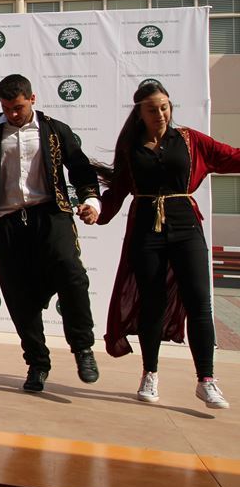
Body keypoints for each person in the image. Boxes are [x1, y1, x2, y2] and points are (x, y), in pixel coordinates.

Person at [0, 74, 101, 393]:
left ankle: (83, 347)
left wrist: (91, 201)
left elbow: (81, 169)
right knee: (18, 295)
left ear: (32, 99)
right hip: (8, 222)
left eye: (18, 107)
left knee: (71, 274)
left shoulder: (55, 130)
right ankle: (37, 363)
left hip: (51, 215)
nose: (13, 114)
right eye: (6, 108)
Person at [94, 81, 240, 409]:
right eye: (152, 109)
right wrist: (97, 212)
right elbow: (117, 191)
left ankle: (206, 380)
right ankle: (150, 373)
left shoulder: (190, 140)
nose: (160, 114)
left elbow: (231, 157)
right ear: (140, 113)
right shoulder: (130, 147)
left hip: (186, 226)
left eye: (164, 107)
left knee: (199, 303)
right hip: (145, 230)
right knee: (152, 304)